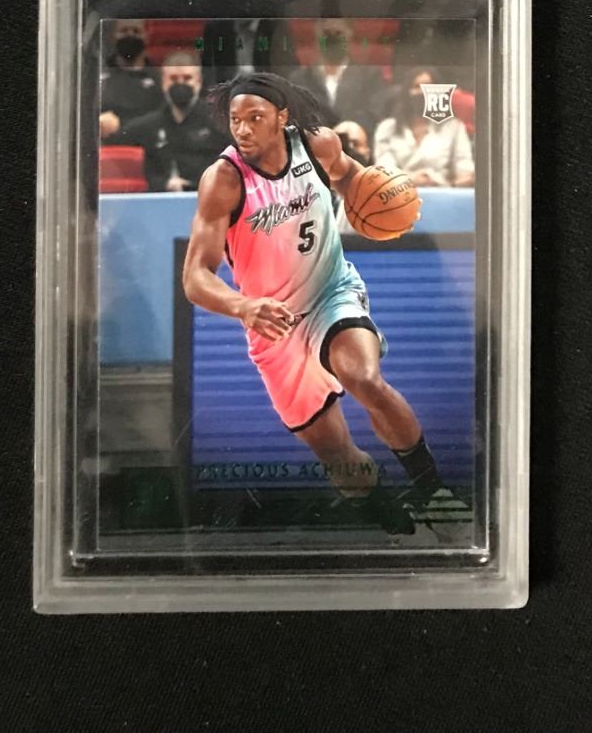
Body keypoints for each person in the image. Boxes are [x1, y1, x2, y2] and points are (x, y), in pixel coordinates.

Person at [183, 73, 460, 531]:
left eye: (255, 118)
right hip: (273, 325)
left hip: (331, 291)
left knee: (362, 376)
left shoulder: (318, 146)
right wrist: (243, 306)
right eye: (236, 120)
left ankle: (435, 495)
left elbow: (350, 176)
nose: (243, 129)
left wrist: (378, 200)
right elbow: (195, 276)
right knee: (338, 459)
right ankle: (399, 529)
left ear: (282, 117)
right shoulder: (224, 179)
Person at [125, 52, 219, 191]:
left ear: (198, 82)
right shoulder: (150, 125)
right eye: (173, 79)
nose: (180, 84)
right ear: (164, 82)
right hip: (162, 199)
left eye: (187, 78)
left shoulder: (218, 123)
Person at [374, 69, 475, 187]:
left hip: (443, 192)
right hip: (398, 193)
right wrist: (411, 180)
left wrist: (444, 185)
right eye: (416, 87)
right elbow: (384, 173)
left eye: (428, 86)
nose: (422, 92)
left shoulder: (454, 127)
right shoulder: (387, 128)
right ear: (407, 92)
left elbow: (465, 171)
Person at [292, 20, 387, 137]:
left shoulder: (370, 76)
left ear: (350, 36)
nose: (332, 40)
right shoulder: (299, 79)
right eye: (327, 33)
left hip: (356, 141)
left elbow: (374, 113)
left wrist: (351, 128)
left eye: (338, 34)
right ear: (316, 37)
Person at [98, 20, 160, 139]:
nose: (130, 35)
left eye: (136, 31)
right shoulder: (98, 74)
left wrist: (121, 125)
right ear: (113, 36)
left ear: (146, 37)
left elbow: (160, 118)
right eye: (124, 31)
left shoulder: (157, 79)